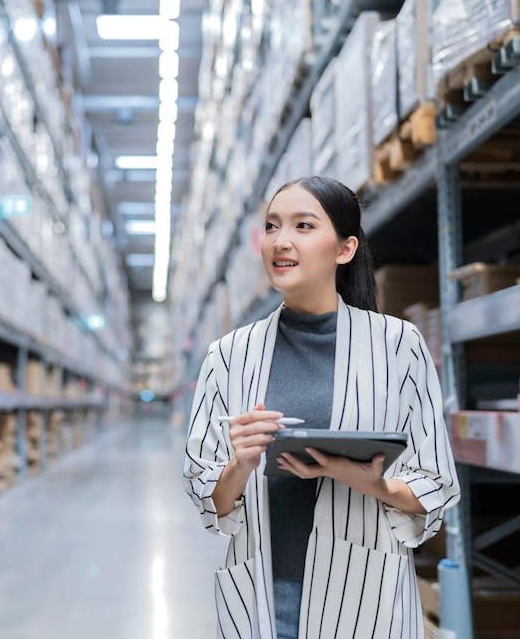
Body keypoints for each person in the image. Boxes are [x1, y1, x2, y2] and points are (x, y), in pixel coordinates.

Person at [183, 176, 460, 639]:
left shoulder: (397, 346)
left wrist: (371, 483)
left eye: (303, 226)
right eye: (272, 227)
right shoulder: (228, 355)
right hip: (266, 596)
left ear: (345, 249)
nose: (281, 241)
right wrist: (240, 465)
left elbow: (435, 484)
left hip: (365, 595)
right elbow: (208, 496)